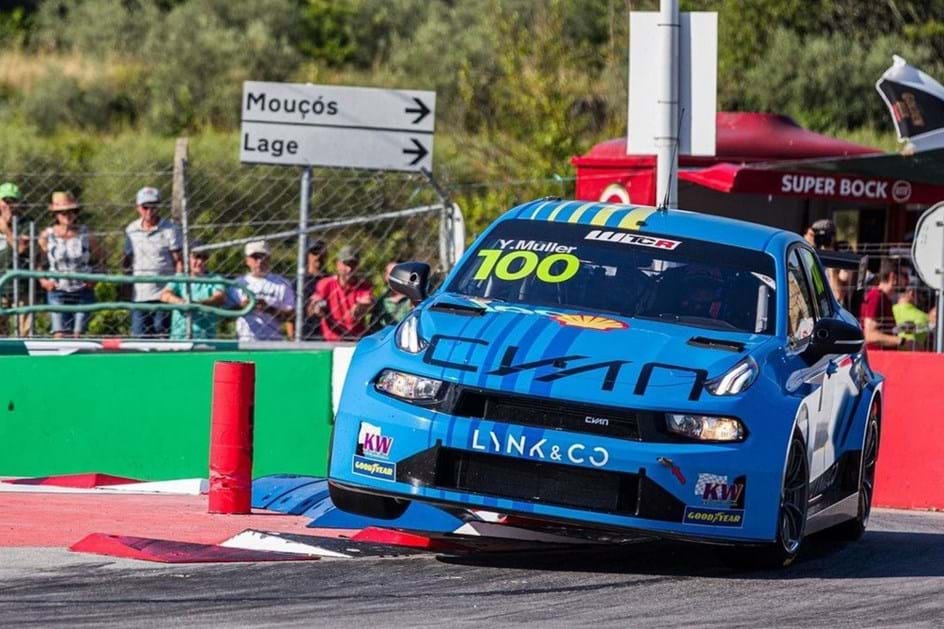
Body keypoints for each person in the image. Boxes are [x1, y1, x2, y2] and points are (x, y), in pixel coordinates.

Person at [37, 191, 104, 338]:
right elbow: (38, 262)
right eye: (62, 212)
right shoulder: (47, 236)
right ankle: (58, 361)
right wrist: (43, 281)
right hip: (57, 289)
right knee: (59, 334)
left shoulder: (86, 234)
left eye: (71, 211)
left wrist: (95, 278)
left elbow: (100, 259)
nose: (67, 215)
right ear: (55, 215)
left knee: (78, 335)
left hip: (82, 289)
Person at [123, 186, 182, 338]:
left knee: (161, 335)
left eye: (153, 207)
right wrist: (126, 288)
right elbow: (128, 261)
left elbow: (178, 260)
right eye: (145, 207)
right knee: (139, 338)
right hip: (139, 294)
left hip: (163, 294)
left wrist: (175, 288)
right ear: (138, 208)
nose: (149, 211)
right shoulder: (131, 230)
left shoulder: (170, 229)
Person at [159, 245, 225, 340]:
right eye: (196, 257)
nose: (200, 262)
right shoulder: (180, 277)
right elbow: (165, 295)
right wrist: (181, 303)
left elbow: (220, 297)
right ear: (187, 259)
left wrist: (199, 304)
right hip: (180, 336)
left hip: (205, 337)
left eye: (204, 258)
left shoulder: (214, 279)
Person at [310, 245, 373, 341]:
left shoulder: (364, 286)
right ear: (338, 264)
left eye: (353, 264)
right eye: (346, 264)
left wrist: (361, 307)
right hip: (331, 340)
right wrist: (317, 306)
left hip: (355, 340)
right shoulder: (326, 283)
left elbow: (365, 303)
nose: (349, 269)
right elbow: (313, 305)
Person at [235, 240, 295, 341]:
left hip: (272, 343)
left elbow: (291, 316)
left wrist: (268, 308)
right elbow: (226, 315)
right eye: (255, 257)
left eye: (263, 257)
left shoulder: (282, 284)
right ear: (247, 260)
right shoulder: (238, 283)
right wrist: (242, 307)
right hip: (244, 341)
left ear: (269, 258)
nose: (260, 261)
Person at [0, 182, 30, 335]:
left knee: (25, 330)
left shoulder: (26, 224)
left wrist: (6, 230)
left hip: (21, 284)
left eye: (13, 202)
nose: (9, 206)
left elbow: (21, 249)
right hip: (0, 285)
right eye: (6, 201)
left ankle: (25, 358)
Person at [860, 261, 905, 350]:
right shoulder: (876, 296)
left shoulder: (884, 298)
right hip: (875, 359)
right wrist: (900, 341)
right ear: (893, 277)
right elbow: (869, 335)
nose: (906, 280)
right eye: (904, 276)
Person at [804, 218, 849, 304]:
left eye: (824, 236)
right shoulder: (809, 256)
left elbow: (838, 296)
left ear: (832, 238)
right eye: (817, 235)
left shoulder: (841, 259)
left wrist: (832, 268)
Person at [368, 261, 412, 332]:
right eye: (390, 273)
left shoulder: (412, 298)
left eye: (397, 273)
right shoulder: (381, 301)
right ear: (386, 276)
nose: (393, 277)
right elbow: (373, 326)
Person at [893, 281, 932, 351]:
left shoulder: (891, 309)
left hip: (889, 354)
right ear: (912, 292)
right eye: (922, 294)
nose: (923, 299)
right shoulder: (924, 317)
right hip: (914, 357)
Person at [302, 239, 328, 340]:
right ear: (307, 255)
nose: (318, 256)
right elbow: (291, 317)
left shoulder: (331, 280)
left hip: (327, 334)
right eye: (314, 252)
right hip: (305, 334)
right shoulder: (299, 282)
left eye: (322, 252)